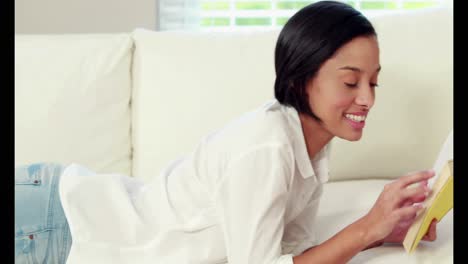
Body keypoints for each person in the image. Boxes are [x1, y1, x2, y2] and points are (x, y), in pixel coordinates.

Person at [14, 1, 438, 263]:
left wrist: (379, 232)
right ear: (299, 80)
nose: (367, 99)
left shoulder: (311, 149)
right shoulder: (267, 148)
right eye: (351, 83)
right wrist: (366, 228)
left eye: (373, 82)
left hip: (57, 214)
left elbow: (287, 256)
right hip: (57, 223)